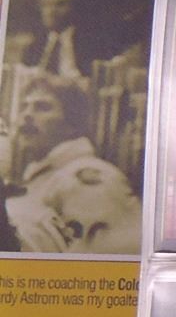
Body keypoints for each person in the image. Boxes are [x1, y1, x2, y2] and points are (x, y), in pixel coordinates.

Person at [1, 72, 140, 253]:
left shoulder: (83, 176)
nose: (27, 115)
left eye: (42, 107)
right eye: (23, 106)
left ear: (72, 123)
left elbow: (105, 253)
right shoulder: (45, 176)